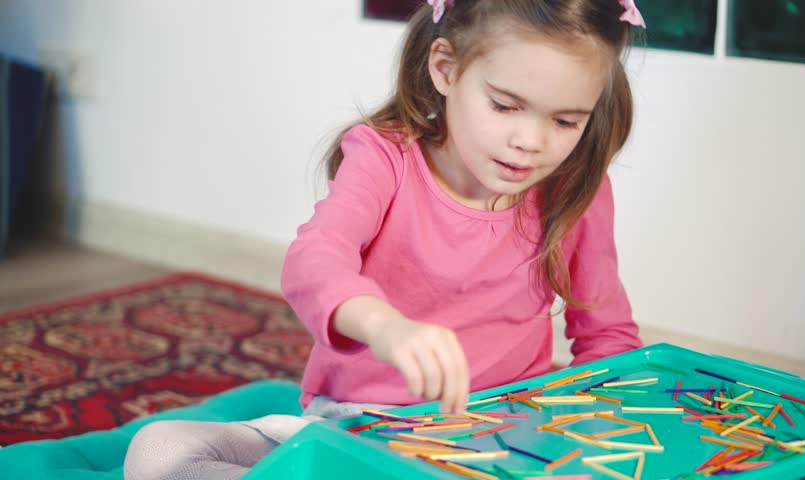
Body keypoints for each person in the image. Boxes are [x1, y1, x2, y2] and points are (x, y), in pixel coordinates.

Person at [124, 1, 645, 478]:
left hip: (499, 443)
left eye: (565, 121)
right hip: (355, 429)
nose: (530, 141)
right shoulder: (383, 157)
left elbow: (607, 339)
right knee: (160, 451)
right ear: (445, 69)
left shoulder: (578, 189)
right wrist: (385, 326)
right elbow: (313, 259)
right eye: (505, 106)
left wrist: (590, 438)